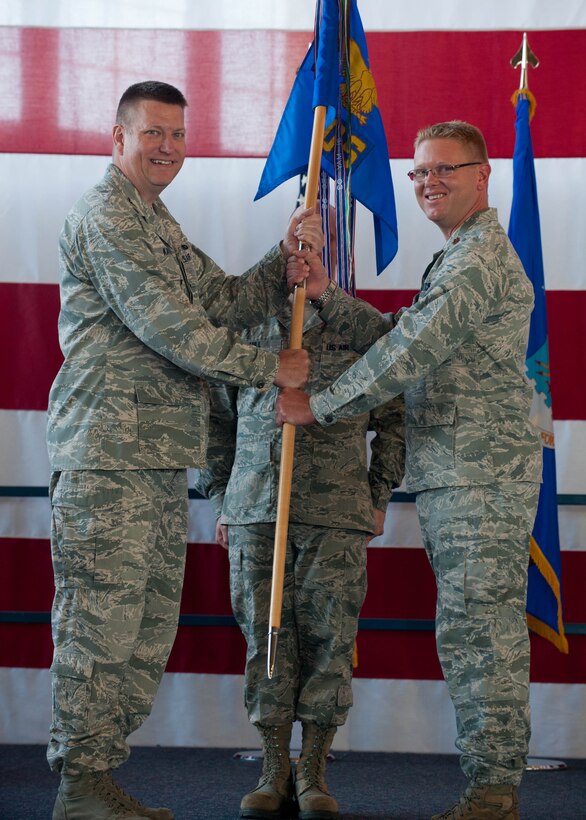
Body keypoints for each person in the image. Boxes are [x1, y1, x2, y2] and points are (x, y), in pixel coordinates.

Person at [46, 80, 323, 820]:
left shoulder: (155, 220)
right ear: (117, 139)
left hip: (156, 459)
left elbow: (225, 300)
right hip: (107, 457)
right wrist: (271, 368)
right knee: (99, 624)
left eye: (177, 134)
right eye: (152, 134)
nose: (168, 147)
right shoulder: (108, 215)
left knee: (140, 629)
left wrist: (284, 257)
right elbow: (172, 327)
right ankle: (79, 781)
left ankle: (97, 779)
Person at [277, 121, 542, 820]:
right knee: (469, 627)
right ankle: (491, 785)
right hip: (460, 470)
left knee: (479, 631)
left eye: (443, 170)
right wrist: (331, 296)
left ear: (484, 175)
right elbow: (407, 333)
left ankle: (492, 791)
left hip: (480, 474)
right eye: (418, 173)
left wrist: (321, 405)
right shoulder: (457, 258)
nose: (427, 183)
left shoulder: (479, 257)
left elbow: (412, 353)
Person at [195, 257, 405, 819]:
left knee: (329, 641)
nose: (304, 253)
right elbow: (215, 422)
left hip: (335, 512)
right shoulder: (245, 327)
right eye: (297, 241)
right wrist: (222, 499)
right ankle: (273, 767)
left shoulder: (361, 328)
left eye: (316, 242)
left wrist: (378, 495)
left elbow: (395, 416)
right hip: (256, 509)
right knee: (265, 641)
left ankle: (313, 771)